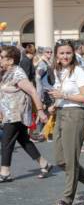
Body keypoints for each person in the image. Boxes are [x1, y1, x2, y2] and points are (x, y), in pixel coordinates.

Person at [48, 40, 84, 205]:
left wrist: (63, 95)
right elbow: (62, 96)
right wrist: (55, 104)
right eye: (62, 53)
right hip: (61, 113)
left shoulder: (78, 71)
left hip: (75, 115)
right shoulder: (59, 72)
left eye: (68, 53)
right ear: (56, 55)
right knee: (59, 159)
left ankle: (67, 199)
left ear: (73, 54)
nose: (65, 56)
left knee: (71, 160)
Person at [0, 46, 52, 182]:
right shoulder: (6, 72)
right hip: (9, 112)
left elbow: (33, 91)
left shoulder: (18, 73)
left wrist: (40, 111)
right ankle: (44, 163)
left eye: (1, 57)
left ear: (10, 60)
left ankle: (5, 172)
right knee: (23, 140)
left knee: (6, 141)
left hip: (16, 112)